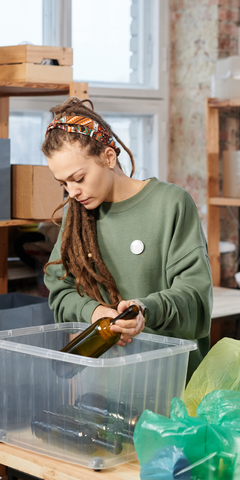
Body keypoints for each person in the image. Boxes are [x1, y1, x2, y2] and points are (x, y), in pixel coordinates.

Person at [42, 97, 212, 379]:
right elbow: (60, 292)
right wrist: (95, 312)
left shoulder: (171, 204)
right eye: (64, 184)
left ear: (109, 157)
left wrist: (144, 310)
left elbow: (195, 297)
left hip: (170, 383)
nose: (72, 192)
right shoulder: (78, 216)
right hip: (106, 386)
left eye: (79, 178)